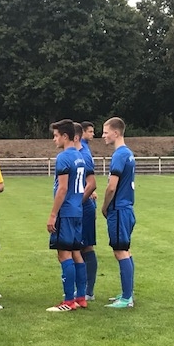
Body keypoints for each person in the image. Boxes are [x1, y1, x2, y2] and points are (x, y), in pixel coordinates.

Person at [45, 119, 88, 312]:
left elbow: (62, 188)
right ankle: (81, 297)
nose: (54, 139)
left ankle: (69, 301)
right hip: (77, 210)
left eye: (56, 136)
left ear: (65, 136)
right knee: (76, 252)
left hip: (66, 212)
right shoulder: (80, 156)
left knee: (64, 254)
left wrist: (53, 214)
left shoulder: (63, 157)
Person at [101, 117, 136, 309]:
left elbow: (112, 187)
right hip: (127, 208)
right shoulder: (128, 153)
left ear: (116, 133)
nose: (103, 136)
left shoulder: (119, 155)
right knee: (126, 250)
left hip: (119, 209)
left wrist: (105, 206)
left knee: (120, 251)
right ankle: (127, 293)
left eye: (106, 132)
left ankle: (126, 298)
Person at [75, 122, 98, 300]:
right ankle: (82, 289)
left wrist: (78, 202)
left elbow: (91, 183)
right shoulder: (80, 151)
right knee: (78, 247)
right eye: (90, 131)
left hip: (83, 207)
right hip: (80, 205)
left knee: (85, 247)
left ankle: (87, 291)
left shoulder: (83, 152)